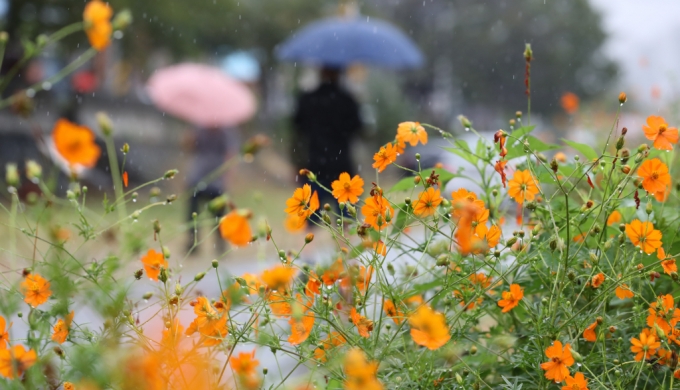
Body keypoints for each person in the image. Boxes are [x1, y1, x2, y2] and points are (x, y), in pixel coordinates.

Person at [292, 66, 362, 221]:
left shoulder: (308, 99)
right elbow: (359, 129)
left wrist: (297, 163)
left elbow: (298, 130)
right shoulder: (347, 100)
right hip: (342, 167)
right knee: (348, 223)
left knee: (310, 221)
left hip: (314, 165)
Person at [185, 126, 238, 254]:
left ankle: (220, 244)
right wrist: (189, 138)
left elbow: (230, 154)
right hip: (198, 177)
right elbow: (189, 147)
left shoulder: (226, 133)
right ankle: (192, 244)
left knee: (219, 215)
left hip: (217, 178)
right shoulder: (199, 129)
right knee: (193, 214)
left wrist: (228, 178)